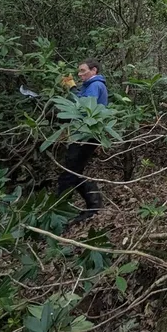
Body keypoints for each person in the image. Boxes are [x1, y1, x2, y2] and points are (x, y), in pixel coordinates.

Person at [58, 58, 107, 223]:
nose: (80, 74)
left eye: (83, 71)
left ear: (94, 71)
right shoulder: (89, 86)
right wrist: (72, 87)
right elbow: (80, 101)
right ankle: (93, 205)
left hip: (86, 135)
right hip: (82, 134)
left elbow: (85, 109)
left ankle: (59, 209)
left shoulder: (95, 86)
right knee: (73, 171)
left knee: (70, 173)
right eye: (78, 72)